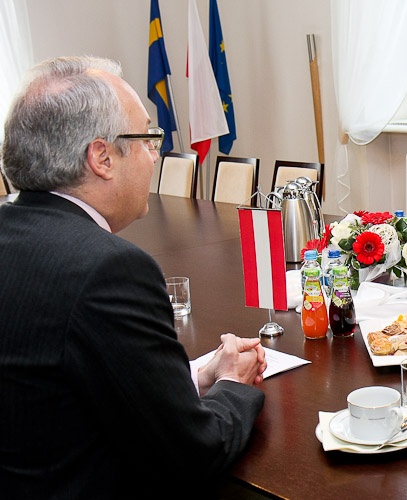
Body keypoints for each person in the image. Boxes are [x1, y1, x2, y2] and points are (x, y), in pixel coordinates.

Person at [0, 57, 267, 498]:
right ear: (102, 157)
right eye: (147, 138)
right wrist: (232, 385)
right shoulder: (108, 270)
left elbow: (68, 383)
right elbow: (193, 453)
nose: (155, 155)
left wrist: (196, 378)